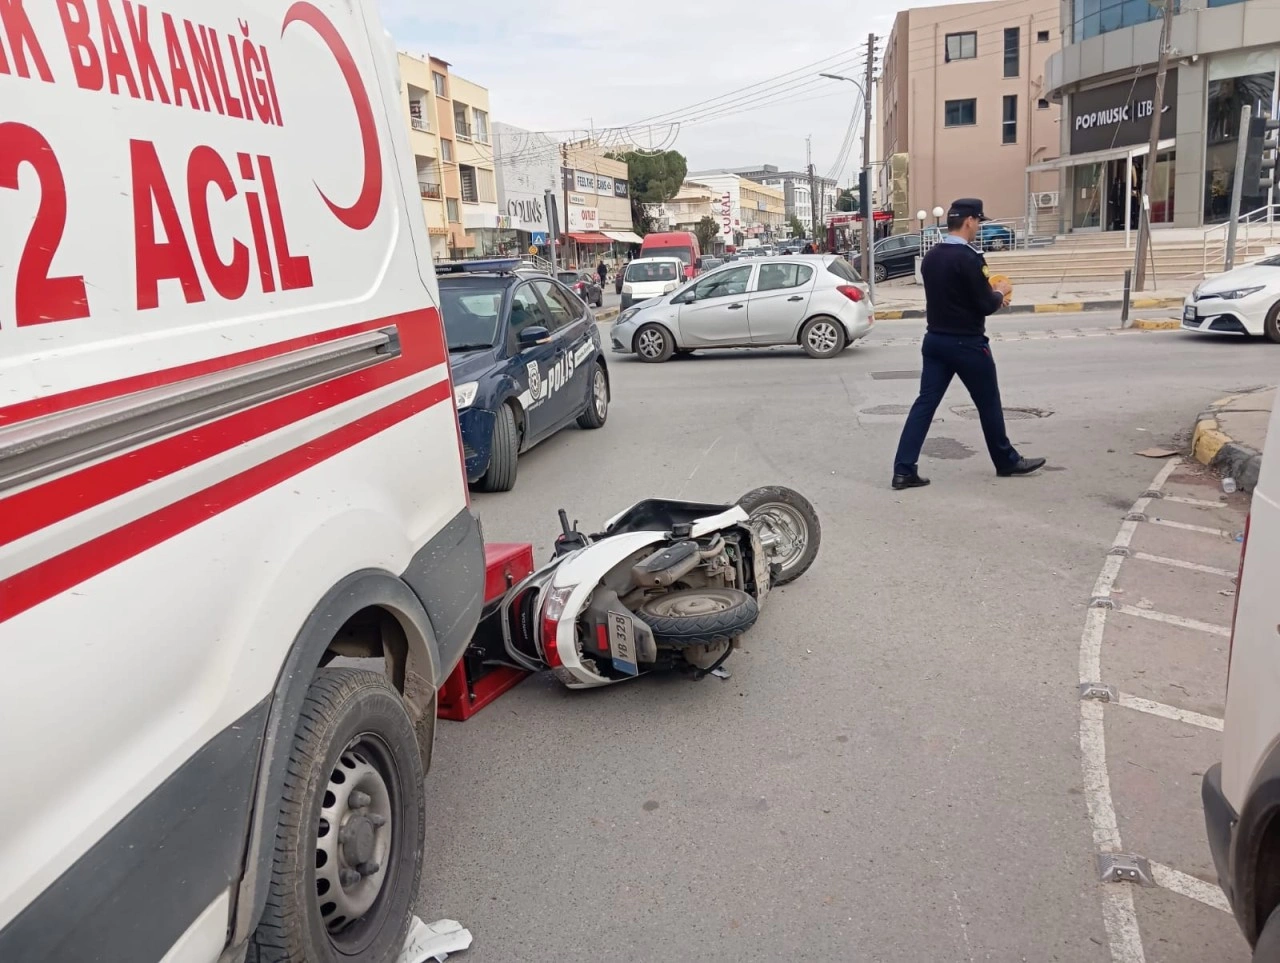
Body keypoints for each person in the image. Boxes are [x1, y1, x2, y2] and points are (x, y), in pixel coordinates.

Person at [891, 198, 1046, 490]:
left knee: (924, 404)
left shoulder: (932, 257)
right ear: (970, 221)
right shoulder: (970, 259)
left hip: (935, 340)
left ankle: (903, 470)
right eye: (978, 222)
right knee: (988, 403)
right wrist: (999, 292)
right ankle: (1006, 460)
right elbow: (986, 304)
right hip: (968, 344)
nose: (978, 227)